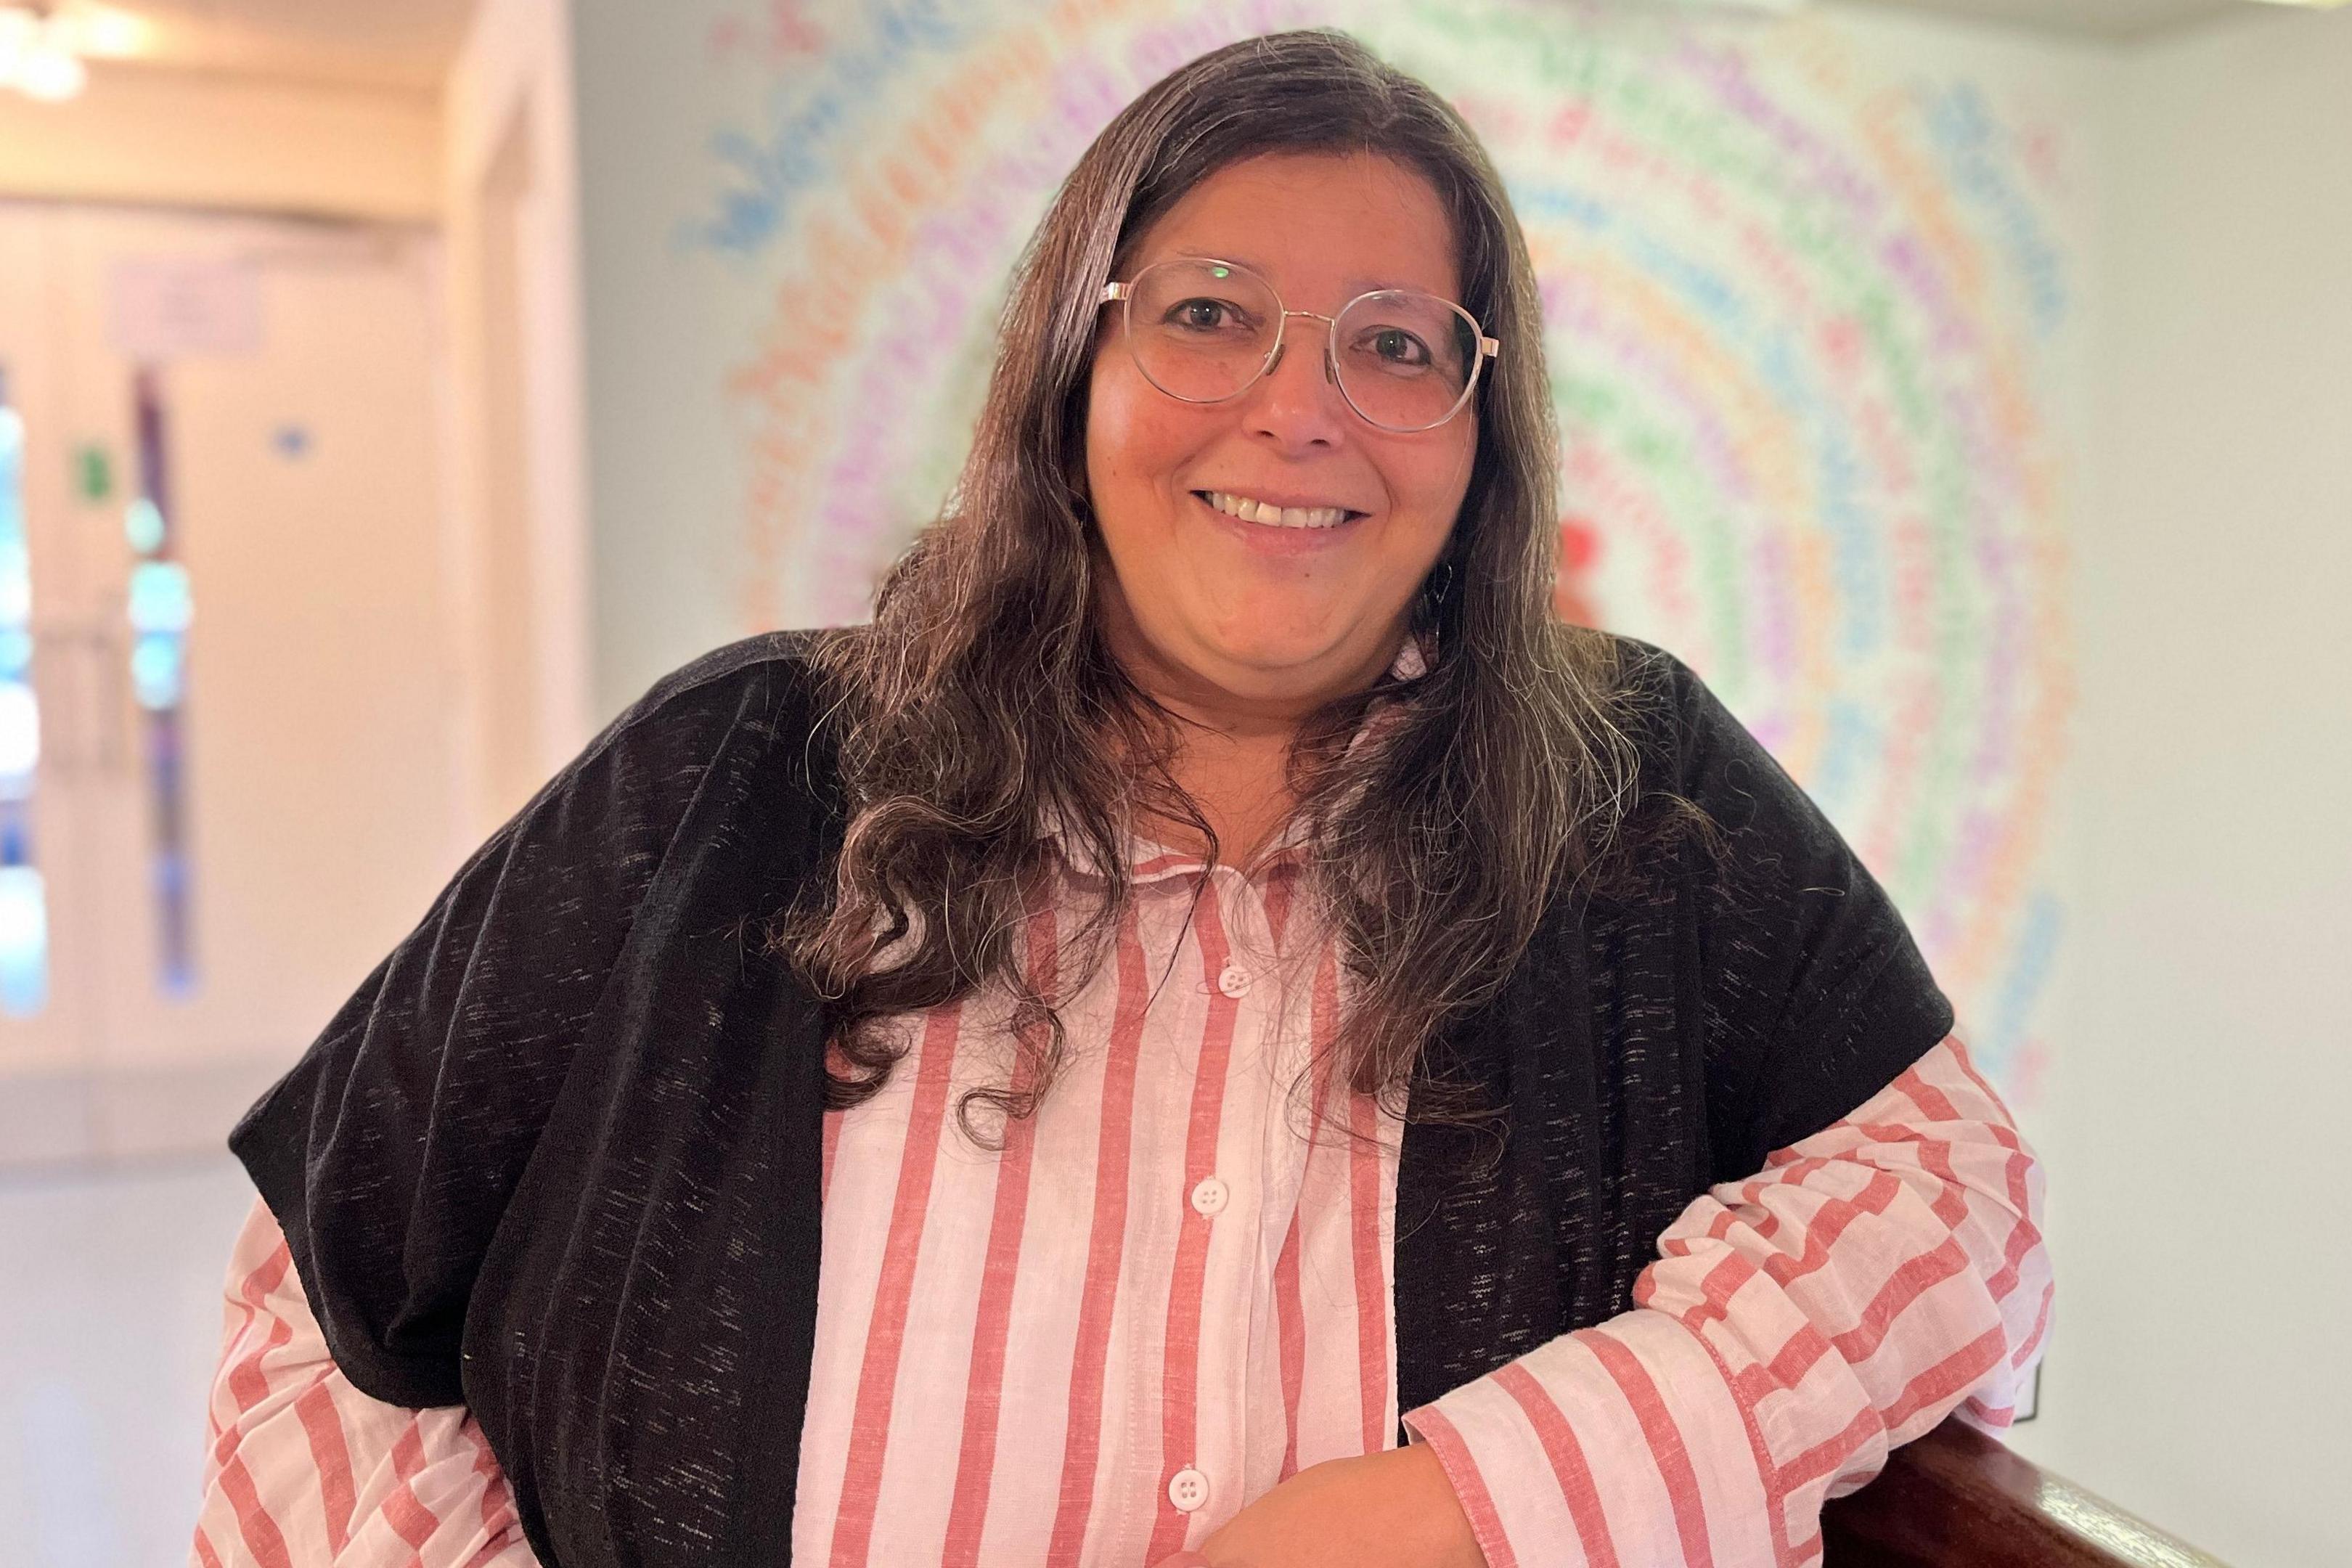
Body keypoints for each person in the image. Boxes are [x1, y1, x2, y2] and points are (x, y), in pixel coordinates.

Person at [195, 28, 2049, 1568]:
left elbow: (1954, 1205)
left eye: (1398, 343)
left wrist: (1480, 1502)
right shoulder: (737, 773)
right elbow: (315, 1318)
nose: (1298, 408)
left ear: (1484, 440)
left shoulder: (1633, 789)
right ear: (1073, 373)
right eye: (1211, 314)